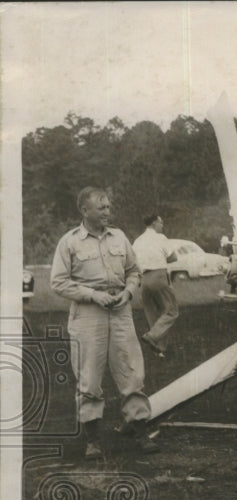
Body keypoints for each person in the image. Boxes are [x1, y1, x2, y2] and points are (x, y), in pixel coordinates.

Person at [50, 187, 160, 458]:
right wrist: (93, 296)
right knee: (89, 377)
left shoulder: (120, 237)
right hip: (88, 315)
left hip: (120, 311)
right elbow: (58, 282)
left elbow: (134, 271)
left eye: (109, 208)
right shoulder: (70, 242)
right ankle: (93, 441)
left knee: (131, 371)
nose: (108, 213)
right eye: (102, 209)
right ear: (84, 211)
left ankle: (140, 432)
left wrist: (129, 292)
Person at [132, 213, 179, 358]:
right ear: (154, 224)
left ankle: (160, 350)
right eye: (161, 223)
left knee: (152, 314)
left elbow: (133, 262)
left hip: (144, 279)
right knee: (171, 311)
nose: (162, 225)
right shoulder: (160, 238)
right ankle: (152, 337)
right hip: (158, 276)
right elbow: (174, 257)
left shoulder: (138, 241)